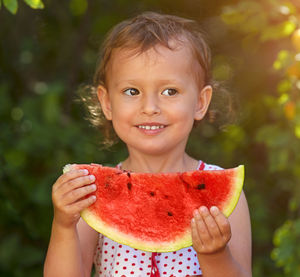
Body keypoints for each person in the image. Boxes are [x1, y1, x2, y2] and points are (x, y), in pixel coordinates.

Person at [44, 11, 252, 277]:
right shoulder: (93, 194)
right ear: (107, 103)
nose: (150, 107)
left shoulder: (223, 197)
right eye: (132, 91)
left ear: (200, 102)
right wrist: (63, 225)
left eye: (170, 91)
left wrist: (215, 255)